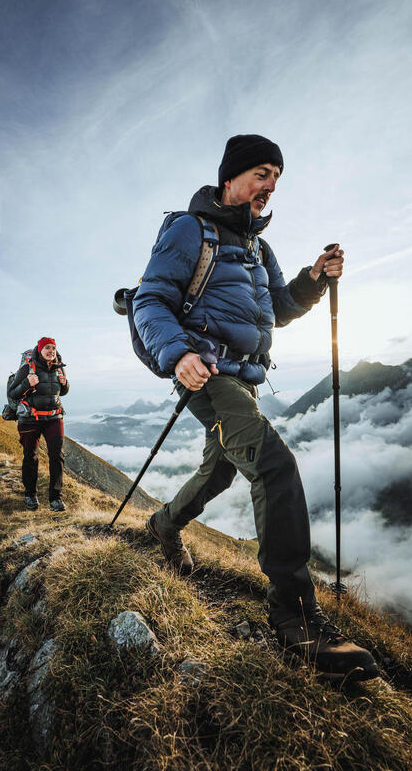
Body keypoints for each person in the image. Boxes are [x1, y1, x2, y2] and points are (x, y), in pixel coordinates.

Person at [132, 134, 378, 680]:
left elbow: (277, 310)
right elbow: (151, 299)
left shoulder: (258, 249)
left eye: (277, 178)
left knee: (219, 471)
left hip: (245, 380)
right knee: (274, 465)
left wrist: (314, 279)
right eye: (262, 173)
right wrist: (178, 356)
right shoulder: (188, 230)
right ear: (231, 178)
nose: (270, 186)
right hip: (207, 374)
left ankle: (163, 526)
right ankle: (295, 619)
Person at [7, 337, 69, 512]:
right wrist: (27, 383)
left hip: (54, 418)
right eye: (47, 348)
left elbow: (61, 392)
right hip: (30, 419)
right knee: (31, 457)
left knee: (57, 457)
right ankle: (30, 495)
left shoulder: (59, 367)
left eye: (53, 348)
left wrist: (65, 385)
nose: (51, 351)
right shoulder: (28, 368)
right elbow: (13, 393)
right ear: (40, 350)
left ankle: (55, 499)